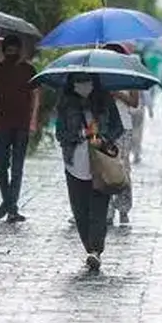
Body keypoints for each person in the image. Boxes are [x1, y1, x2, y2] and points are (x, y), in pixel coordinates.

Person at [55, 74, 124, 271]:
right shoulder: (65, 103)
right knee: (80, 209)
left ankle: (95, 250)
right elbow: (60, 133)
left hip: (100, 161)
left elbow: (117, 127)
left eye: (87, 80)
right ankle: (89, 246)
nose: (83, 85)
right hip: (74, 163)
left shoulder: (105, 100)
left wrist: (103, 138)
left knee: (99, 207)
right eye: (79, 81)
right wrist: (80, 135)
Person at [0, 35, 40, 223]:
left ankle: (12, 208)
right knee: (0, 166)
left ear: (20, 50)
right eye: (7, 50)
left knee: (17, 167)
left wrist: (33, 119)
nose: (11, 53)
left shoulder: (28, 70)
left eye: (14, 50)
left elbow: (36, 95)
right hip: (2, 122)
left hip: (22, 123)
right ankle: (8, 201)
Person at [101, 43, 138, 226]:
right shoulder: (99, 74)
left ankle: (123, 209)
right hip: (104, 127)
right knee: (104, 168)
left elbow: (134, 101)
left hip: (124, 126)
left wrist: (117, 94)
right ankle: (107, 210)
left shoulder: (129, 73)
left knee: (122, 168)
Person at [129, 89, 152, 164]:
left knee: (131, 131)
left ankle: (134, 151)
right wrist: (150, 109)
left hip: (130, 108)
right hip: (139, 108)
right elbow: (147, 96)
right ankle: (136, 153)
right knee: (138, 131)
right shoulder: (140, 81)